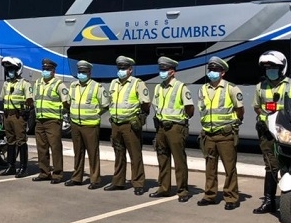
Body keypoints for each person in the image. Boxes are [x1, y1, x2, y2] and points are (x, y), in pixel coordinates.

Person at [197, 56, 245, 210]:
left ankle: (231, 197)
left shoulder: (231, 88)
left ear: (222, 72)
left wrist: (233, 124)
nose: (212, 72)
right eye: (210, 70)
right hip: (208, 135)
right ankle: (209, 195)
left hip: (225, 135)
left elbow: (240, 110)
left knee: (229, 168)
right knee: (210, 167)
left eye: (216, 70)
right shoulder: (203, 89)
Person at [150, 56, 195, 201]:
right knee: (162, 158)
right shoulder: (158, 87)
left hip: (175, 127)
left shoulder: (181, 87)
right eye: (160, 69)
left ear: (172, 72)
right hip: (161, 127)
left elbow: (190, 108)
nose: (162, 72)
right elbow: (155, 105)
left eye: (165, 70)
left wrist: (180, 120)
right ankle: (164, 188)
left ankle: (182, 191)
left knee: (179, 160)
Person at [252, 50, 291, 214]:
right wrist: (263, 118)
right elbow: (256, 107)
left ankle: (290, 199)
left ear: (281, 68)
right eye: (267, 68)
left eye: (273, 67)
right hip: (267, 133)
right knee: (271, 166)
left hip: (288, 132)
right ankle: (269, 200)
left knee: (290, 166)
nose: (270, 71)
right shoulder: (260, 86)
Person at [105, 56, 151, 195]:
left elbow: (146, 104)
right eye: (119, 68)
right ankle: (118, 182)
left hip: (130, 125)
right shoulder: (114, 83)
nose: (121, 71)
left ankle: (138, 183)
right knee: (118, 154)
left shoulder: (137, 83)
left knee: (135, 155)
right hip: (116, 124)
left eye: (124, 68)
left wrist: (140, 117)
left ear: (130, 70)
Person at [66, 60, 110, 189]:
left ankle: (95, 180)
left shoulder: (97, 87)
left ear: (89, 73)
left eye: (84, 72)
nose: (81, 74)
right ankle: (76, 178)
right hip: (75, 124)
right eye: (79, 72)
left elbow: (105, 105)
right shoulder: (73, 86)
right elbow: (69, 102)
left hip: (90, 125)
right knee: (78, 153)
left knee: (92, 153)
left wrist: (96, 114)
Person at [31, 58, 70, 184]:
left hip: (53, 121)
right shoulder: (37, 83)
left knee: (55, 147)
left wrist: (60, 115)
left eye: (48, 69)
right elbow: (33, 100)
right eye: (44, 69)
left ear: (53, 71)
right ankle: (44, 172)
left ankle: (57, 174)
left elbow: (66, 102)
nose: (46, 71)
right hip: (40, 121)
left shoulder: (59, 84)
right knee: (41, 148)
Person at [0, 57, 33, 177]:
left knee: (21, 141)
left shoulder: (25, 84)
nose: (10, 72)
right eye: (8, 70)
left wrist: (26, 112)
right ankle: (10, 166)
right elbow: (3, 98)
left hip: (18, 116)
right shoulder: (6, 84)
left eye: (12, 69)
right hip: (7, 115)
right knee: (10, 141)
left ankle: (24, 168)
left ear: (18, 70)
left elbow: (30, 100)